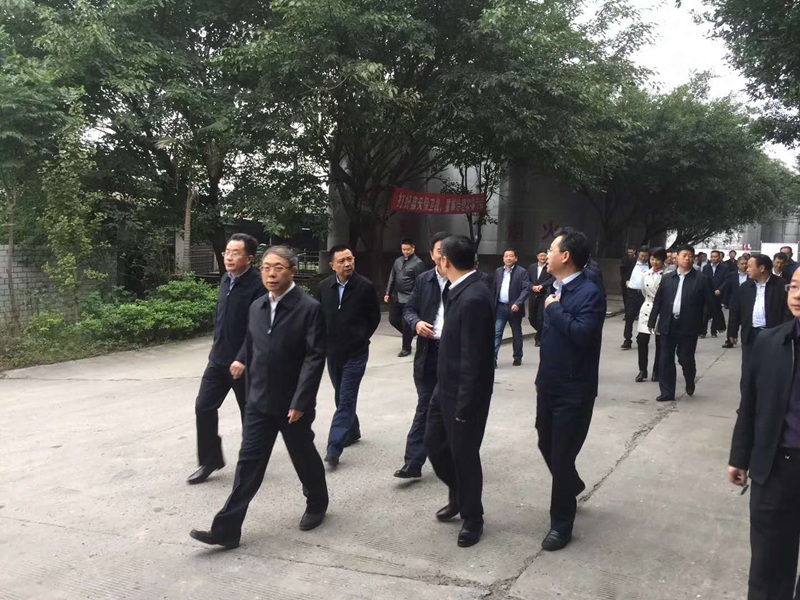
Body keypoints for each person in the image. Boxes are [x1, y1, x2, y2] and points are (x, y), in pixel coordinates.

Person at [189, 246, 328, 549]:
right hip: (259, 400)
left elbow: (314, 358)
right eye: (266, 268)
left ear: (292, 271)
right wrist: (241, 359)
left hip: (292, 404)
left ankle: (317, 502)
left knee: (303, 455)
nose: (271, 273)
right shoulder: (258, 306)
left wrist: (301, 401)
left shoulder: (309, 308)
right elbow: (251, 340)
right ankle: (227, 530)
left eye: (278, 267)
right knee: (248, 464)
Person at [727, 267, 800, 600]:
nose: (797, 295)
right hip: (776, 468)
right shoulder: (770, 342)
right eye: (794, 287)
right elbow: (750, 405)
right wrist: (739, 457)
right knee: (768, 567)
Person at [535, 228, 606, 551]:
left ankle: (561, 524)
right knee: (545, 442)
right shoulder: (553, 287)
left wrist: (554, 309)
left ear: (565, 256)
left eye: (551, 250)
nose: (546, 255)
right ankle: (572, 483)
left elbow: (582, 335)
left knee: (562, 456)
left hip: (574, 389)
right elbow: (547, 337)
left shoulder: (590, 293)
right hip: (549, 384)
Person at [425, 235, 494, 548]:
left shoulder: (474, 297)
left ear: (446, 261)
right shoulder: (457, 289)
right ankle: (458, 493)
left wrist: (464, 407)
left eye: (440, 256)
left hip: (465, 396)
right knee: (434, 445)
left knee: (464, 456)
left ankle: (472, 516)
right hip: (445, 388)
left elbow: (474, 360)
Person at [187, 233, 266, 485]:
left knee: (249, 415)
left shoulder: (258, 286)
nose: (229, 257)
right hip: (218, 360)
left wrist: (243, 358)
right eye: (227, 253)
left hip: (245, 364)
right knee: (203, 406)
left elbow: (258, 328)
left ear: (249, 258)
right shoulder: (225, 279)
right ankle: (210, 460)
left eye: (235, 253)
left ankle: (252, 463)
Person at [317, 245, 381, 466]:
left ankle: (334, 446)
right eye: (342, 261)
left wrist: (361, 337)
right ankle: (352, 430)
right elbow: (319, 316)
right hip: (333, 353)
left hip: (356, 353)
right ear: (332, 265)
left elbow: (374, 318)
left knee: (346, 398)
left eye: (350, 259)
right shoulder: (324, 287)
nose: (347, 264)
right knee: (340, 395)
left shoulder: (365, 287)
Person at [394, 231, 450, 480]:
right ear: (431, 254)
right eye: (440, 251)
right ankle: (413, 463)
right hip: (428, 354)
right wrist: (416, 323)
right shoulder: (424, 280)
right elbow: (409, 309)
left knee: (448, 410)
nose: (444, 256)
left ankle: (452, 458)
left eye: (448, 251)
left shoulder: (465, 281)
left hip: (452, 356)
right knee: (425, 407)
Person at [649, 244, 714, 402]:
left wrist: (709, 323)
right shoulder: (667, 278)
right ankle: (667, 392)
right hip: (668, 323)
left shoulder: (701, 279)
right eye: (684, 255)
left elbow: (710, 302)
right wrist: (652, 320)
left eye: (690, 256)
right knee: (665, 358)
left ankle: (690, 379)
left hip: (689, 325)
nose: (687, 258)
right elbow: (658, 301)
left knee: (685, 357)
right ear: (676, 257)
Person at [727, 254, 791, 364]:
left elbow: (788, 312)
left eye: (750, 266)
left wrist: (784, 333)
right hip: (750, 334)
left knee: (771, 367)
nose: (747, 269)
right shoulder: (745, 287)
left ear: (761, 268)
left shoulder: (781, 286)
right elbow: (735, 310)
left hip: (773, 334)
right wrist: (732, 331)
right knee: (749, 367)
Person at [384, 238, 426, 357]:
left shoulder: (418, 263)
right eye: (403, 249)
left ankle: (406, 348)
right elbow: (392, 277)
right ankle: (411, 333)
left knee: (406, 322)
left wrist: (416, 298)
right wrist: (387, 293)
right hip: (397, 296)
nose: (405, 252)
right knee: (393, 319)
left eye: (408, 249)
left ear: (413, 248)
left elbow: (419, 282)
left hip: (409, 297)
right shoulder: (398, 261)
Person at [492, 248, 531, 367]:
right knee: (497, 332)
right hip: (500, 306)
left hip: (514, 308)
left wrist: (518, 303)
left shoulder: (522, 272)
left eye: (511, 256)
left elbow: (526, 289)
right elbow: (494, 289)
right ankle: (493, 358)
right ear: (503, 258)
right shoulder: (498, 271)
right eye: (506, 256)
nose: (508, 258)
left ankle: (517, 357)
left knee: (516, 333)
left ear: (516, 258)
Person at [635, 247, 666, 383]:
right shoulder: (646, 274)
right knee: (642, 340)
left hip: (661, 309)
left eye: (658, 259)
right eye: (652, 259)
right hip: (647, 307)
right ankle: (642, 370)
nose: (654, 262)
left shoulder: (668, 275)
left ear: (663, 260)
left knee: (660, 343)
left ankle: (656, 371)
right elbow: (644, 291)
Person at [622, 246, 650, 350]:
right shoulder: (631, 262)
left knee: (643, 317)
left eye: (646, 256)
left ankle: (641, 338)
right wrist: (626, 280)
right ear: (638, 254)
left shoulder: (650, 264)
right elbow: (623, 270)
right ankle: (627, 339)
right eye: (642, 255)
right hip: (632, 293)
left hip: (644, 294)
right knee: (629, 316)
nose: (643, 258)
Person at [527, 249, 555, 347]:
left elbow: (552, 279)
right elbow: (526, 280)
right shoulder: (532, 267)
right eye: (540, 256)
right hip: (532, 294)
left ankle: (538, 338)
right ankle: (542, 331)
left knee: (540, 318)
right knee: (531, 318)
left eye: (544, 256)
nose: (542, 258)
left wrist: (542, 285)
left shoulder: (549, 267)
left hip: (543, 295)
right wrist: (532, 286)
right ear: (537, 257)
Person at [721, 256, 750, 348]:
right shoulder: (731, 275)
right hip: (734, 301)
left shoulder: (751, 275)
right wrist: (725, 301)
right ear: (738, 265)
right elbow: (727, 288)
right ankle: (730, 340)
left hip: (747, 302)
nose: (744, 266)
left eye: (746, 263)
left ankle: (747, 340)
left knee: (747, 321)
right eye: (742, 264)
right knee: (732, 322)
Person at [701, 250, 728, 338]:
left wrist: (720, 289)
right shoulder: (706, 267)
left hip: (718, 294)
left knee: (716, 312)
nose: (713, 258)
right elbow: (703, 279)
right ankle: (703, 332)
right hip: (707, 293)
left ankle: (714, 331)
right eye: (712, 256)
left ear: (719, 257)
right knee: (705, 313)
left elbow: (726, 280)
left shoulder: (724, 268)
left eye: (715, 257)